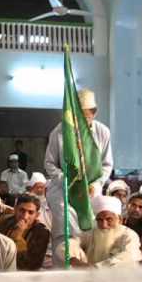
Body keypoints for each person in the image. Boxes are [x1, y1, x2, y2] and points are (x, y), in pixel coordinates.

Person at [44, 88, 113, 260]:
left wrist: (95, 185)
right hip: (63, 189)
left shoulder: (102, 132)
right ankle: (66, 263)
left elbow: (106, 164)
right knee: (64, 225)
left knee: (93, 227)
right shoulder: (59, 131)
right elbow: (49, 163)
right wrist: (66, 180)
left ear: (93, 113)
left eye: (84, 115)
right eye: (75, 114)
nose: (78, 119)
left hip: (91, 188)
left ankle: (91, 265)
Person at [55, 196, 142, 268]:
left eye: (109, 219)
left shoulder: (129, 235)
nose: (104, 224)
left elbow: (129, 256)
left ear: (120, 220)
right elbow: (65, 245)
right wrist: (74, 260)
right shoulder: (92, 232)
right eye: (100, 220)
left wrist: (96, 268)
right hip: (90, 274)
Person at [0, 194, 50, 271]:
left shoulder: (41, 232)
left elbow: (32, 265)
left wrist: (18, 239)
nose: (25, 216)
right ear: (15, 210)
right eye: (22, 210)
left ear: (37, 215)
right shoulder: (4, 222)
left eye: (30, 213)